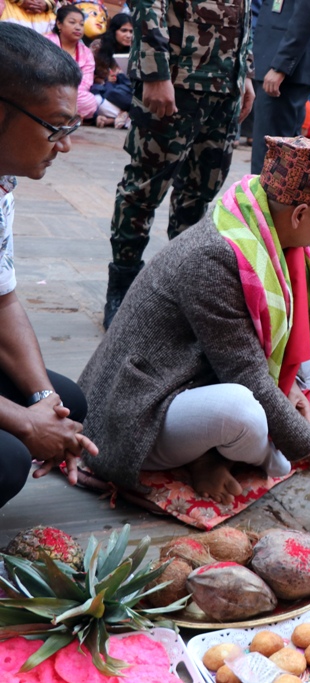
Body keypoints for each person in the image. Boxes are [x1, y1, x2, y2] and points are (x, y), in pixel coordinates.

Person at [80, 137, 310, 508]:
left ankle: (217, 456)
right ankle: (222, 457)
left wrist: (286, 390)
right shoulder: (215, 257)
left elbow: (258, 360)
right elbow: (248, 377)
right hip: (143, 405)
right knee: (243, 412)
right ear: (299, 214)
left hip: (201, 373)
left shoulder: (264, 233)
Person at [101, 0, 256, 330]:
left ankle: (180, 288)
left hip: (225, 88)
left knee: (199, 195)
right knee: (143, 189)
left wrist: (246, 73)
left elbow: (244, 14)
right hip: (176, 80)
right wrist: (156, 72)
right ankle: (123, 287)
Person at [0, 23, 96, 508]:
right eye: (54, 127)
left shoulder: (1, 186)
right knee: (7, 460)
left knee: (67, 402)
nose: (65, 145)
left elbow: (4, 300)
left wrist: (43, 404)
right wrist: (21, 423)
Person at [249, 0, 310, 173]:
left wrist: (281, 65)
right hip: (275, 60)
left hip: (286, 70)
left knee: (271, 157)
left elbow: (306, 16)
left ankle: (263, 199)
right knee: (273, 152)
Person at [45, 6, 97, 121]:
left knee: (90, 101)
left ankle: (63, 114)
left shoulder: (86, 52)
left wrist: (70, 92)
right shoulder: (46, 43)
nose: (78, 27)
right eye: (72, 22)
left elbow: (86, 81)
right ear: (59, 24)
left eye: (81, 24)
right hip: (48, 89)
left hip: (73, 94)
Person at [89, 14, 133, 128]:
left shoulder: (137, 48)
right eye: (124, 31)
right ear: (114, 31)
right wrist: (103, 79)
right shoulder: (98, 46)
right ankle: (120, 119)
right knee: (95, 101)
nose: (129, 35)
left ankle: (111, 120)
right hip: (104, 95)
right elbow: (87, 74)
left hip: (125, 97)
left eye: (131, 31)